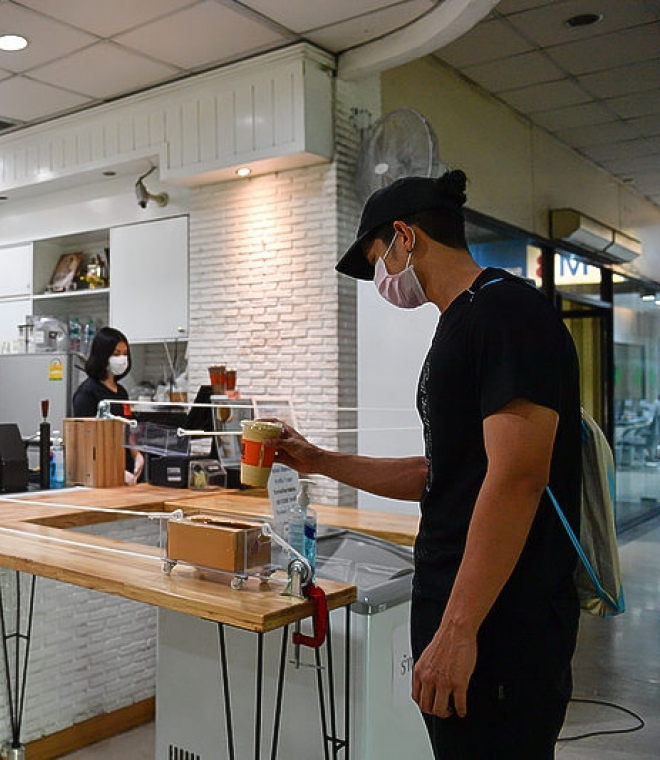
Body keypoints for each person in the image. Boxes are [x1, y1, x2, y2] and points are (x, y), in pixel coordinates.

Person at [269, 170, 581, 759]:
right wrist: (317, 460)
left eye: (378, 258)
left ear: (404, 237)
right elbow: (442, 474)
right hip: (465, 616)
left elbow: (518, 478)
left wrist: (459, 630)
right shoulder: (460, 322)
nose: (383, 277)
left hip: (502, 628)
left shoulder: (506, 312)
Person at [72, 326, 145, 484]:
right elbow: (89, 441)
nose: (122, 358)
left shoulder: (121, 393)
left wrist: (136, 454)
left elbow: (127, 428)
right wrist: (115, 469)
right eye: (116, 354)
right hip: (99, 472)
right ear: (103, 356)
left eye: (125, 354)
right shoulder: (87, 393)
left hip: (125, 469)